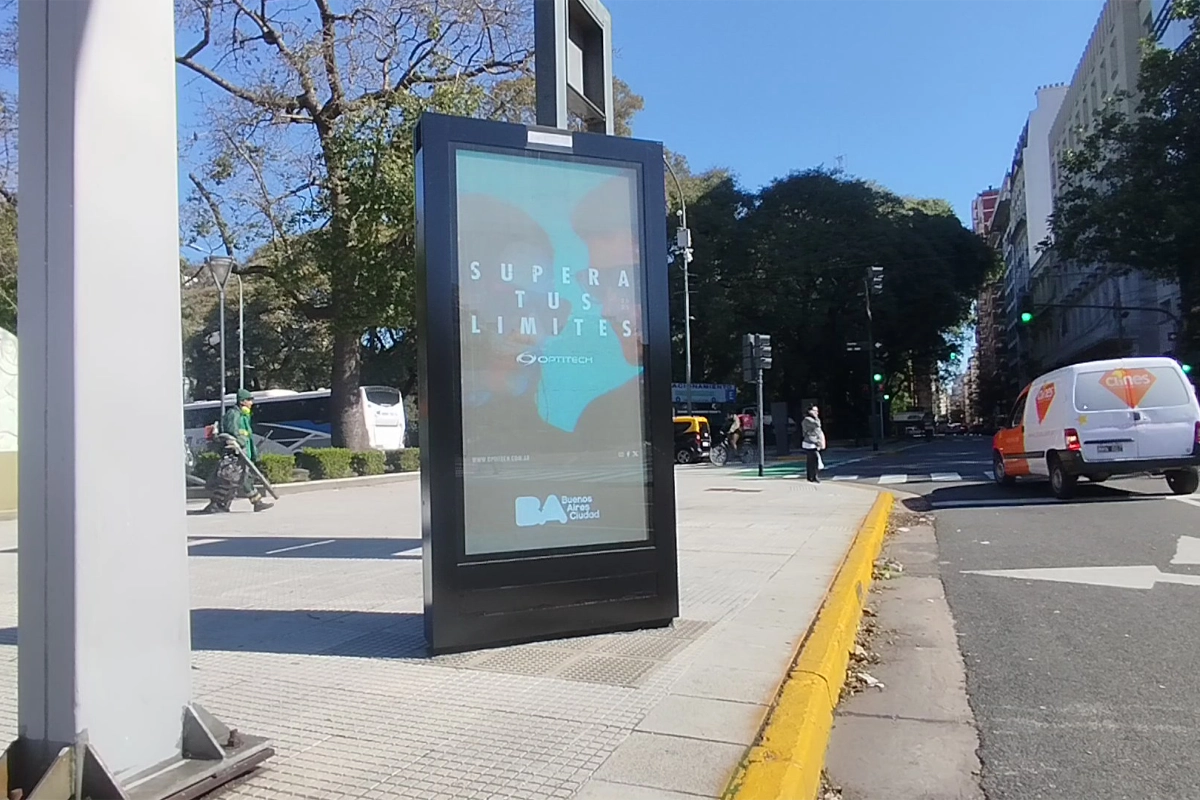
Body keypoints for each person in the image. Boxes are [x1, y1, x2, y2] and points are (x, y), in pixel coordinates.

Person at [204, 389, 273, 513]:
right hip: (236, 453)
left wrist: (252, 451)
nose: (251, 403)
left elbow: (247, 436)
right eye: (249, 400)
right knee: (230, 479)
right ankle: (217, 504)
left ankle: (255, 503)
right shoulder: (234, 414)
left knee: (244, 478)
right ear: (242, 401)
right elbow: (232, 433)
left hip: (243, 452)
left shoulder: (244, 416)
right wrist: (239, 444)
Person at [801, 405, 826, 483]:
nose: (816, 413)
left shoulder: (811, 419)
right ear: (810, 411)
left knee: (811, 460)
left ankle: (811, 476)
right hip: (810, 442)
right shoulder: (807, 419)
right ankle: (813, 476)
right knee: (814, 459)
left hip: (814, 441)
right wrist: (816, 417)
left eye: (817, 411)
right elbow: (817, 424)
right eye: (814, 411)